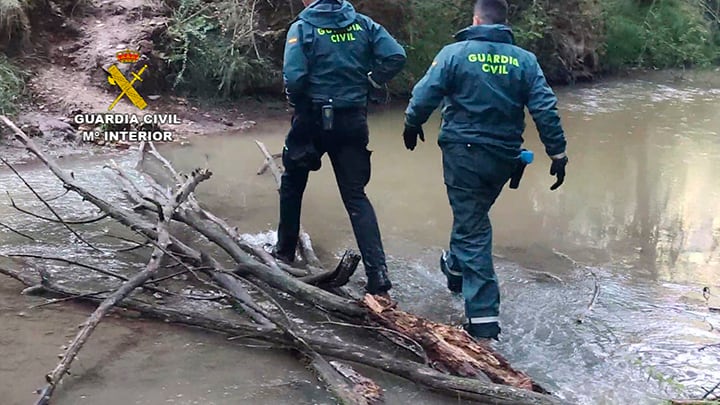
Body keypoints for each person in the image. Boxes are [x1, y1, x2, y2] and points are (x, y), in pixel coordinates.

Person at [402, 0, 568, 340]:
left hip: (464, 153)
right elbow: (545, 109)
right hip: (505, 157)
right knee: (471, 214)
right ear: (503, 22)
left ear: (476, 19)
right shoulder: (525, 60)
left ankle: (483, 321)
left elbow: (424, 94)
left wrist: (411, 123)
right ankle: (456, 272)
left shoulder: (455, 53)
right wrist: (558, 153)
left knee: (472, 227)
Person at [275, 0, 407, 296]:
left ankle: (283, 254)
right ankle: (378, 275)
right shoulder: (363, 24)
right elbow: (396, 56)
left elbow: (294, 78)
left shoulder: (303, 28)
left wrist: (297, 105)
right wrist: (371, 80)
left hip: (312, 119)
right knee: (356, 197)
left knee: (293, 185)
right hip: (352, 119)